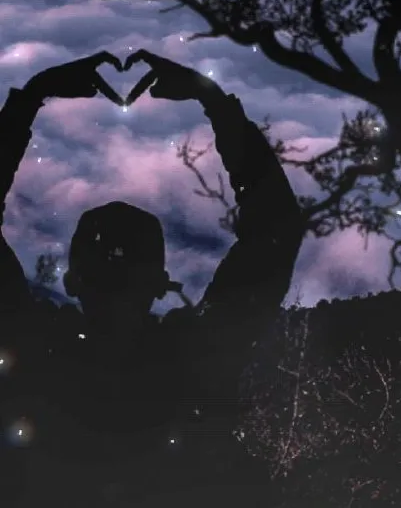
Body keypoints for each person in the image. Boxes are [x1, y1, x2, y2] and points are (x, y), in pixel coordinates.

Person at [0, 49, 306, 506]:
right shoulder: (199, 358)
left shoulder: (30, 353)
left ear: (72, 282)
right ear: (160, 283)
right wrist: (215, 104)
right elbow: (275, 229)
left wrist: (31, 99)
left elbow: (275, 229)